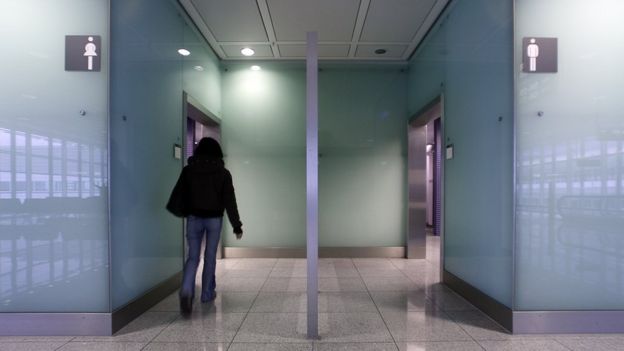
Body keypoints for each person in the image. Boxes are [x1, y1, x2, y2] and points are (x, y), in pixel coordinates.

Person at [167, 137, 243, 314]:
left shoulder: (188, 171)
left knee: (192, 257)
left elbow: (180, 193)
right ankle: (207, 294)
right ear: (217, 152)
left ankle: (186, 291)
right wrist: (236, 225)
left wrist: (183, 210)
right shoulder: (224, 173)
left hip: (194, 218)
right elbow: (230, 201)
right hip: (214, 220)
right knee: (210, 257)